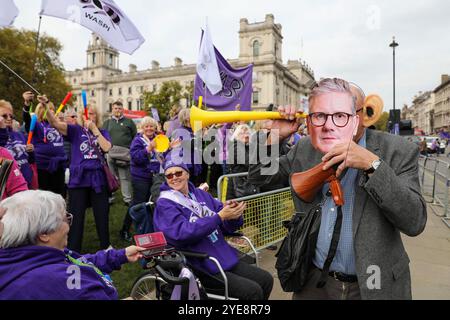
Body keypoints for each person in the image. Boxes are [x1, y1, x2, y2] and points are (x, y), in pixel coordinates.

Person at [248, 78, 427, 300]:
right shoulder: (307, 147)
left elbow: (415, 221)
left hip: (373, 285)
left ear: (361, 115)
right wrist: (274, 137)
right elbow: (257, 177)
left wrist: (374, 166)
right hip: (314, 283)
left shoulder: (398, 150)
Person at [153, 158, 273, 300]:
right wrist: (219, 217)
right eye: (169, 175)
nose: (174, 178)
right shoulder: (165, 204)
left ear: (187, 174)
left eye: (178, 173)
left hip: (222, 256)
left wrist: (233, 214)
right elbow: (181, 233)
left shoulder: (200, 194)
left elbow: (227, 227)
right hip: (199, 264)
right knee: (253, 292)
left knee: (266, 280)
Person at [0, 190, 144, 300]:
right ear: (44, 234)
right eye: (64, 219)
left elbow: (77, 262)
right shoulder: (69, 286)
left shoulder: (30, 256)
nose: (68, 226)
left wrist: (120, 255)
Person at [47, 105, 112, 252]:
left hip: (97, 178)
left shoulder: (102, 132)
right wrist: (46, 107)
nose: (89, 117)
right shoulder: (76, 131)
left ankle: (106, 245)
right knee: (76, 215)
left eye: (92, 114)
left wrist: (95, 130)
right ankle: (73, 248)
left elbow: (107, 147)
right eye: (86, 114)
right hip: (79, 179)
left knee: (102, 213)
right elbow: (55, 124)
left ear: (97, 117)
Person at [22, 94, 67, 197]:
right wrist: (27, 104)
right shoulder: (37, 124)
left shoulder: (56, 124)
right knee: (45, 197)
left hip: (59, 166)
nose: (52, 112)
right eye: (49, 109)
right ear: (41, 111)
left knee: (59, 196)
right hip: (43, 167)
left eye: (53, 109)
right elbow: (27, 119)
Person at [103, 101, 137, 207]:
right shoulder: (107, 123)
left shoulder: (129, 122)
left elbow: (134, 137)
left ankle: (127, 199)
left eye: (119, 108)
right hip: (110, 153)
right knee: (110, 176)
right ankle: (110, 197)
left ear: (123, 109)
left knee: (124, 177)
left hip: (124, 154)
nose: (117, 110)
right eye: (115, 108)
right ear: (112, 109)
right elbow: (103, 138)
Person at [0, 99, 35, 188]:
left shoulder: (19, 135)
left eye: (11, 116)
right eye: (4, 116)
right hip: (9, 188)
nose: (9, 118)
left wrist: (31, 152)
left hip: (27, 184)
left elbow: (31, 161)